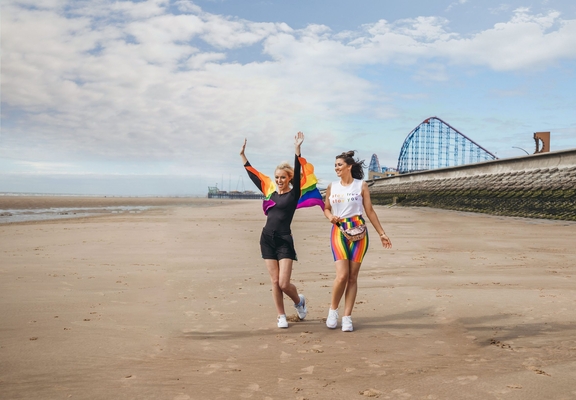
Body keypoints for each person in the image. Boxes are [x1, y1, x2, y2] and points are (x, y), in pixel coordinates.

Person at [240, 132, 323, 328]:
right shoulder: (269, 191)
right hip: (267, 239)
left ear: (289, 178)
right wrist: (243, 156)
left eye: (282, 177)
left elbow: (297, 167)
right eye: (277, 177)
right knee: (275, 281)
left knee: (284, 283)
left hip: (285, 240)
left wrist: (297, 150)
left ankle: (299, 302)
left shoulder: (294, 195)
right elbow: (254, 176)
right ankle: (281, 316)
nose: (278, 180)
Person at [323, 150, 392, 332]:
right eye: (335, 165)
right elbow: (326, 208)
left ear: (349, 167)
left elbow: (369, 211)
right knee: (342, 275)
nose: (336, 167)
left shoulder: (361, 186)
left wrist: (382, 233)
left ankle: (347, 317)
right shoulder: (332, 186)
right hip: (339, 230)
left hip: (359, 231)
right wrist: (330, 216)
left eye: (339, 164)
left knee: (353, 277)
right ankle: (333, 310)